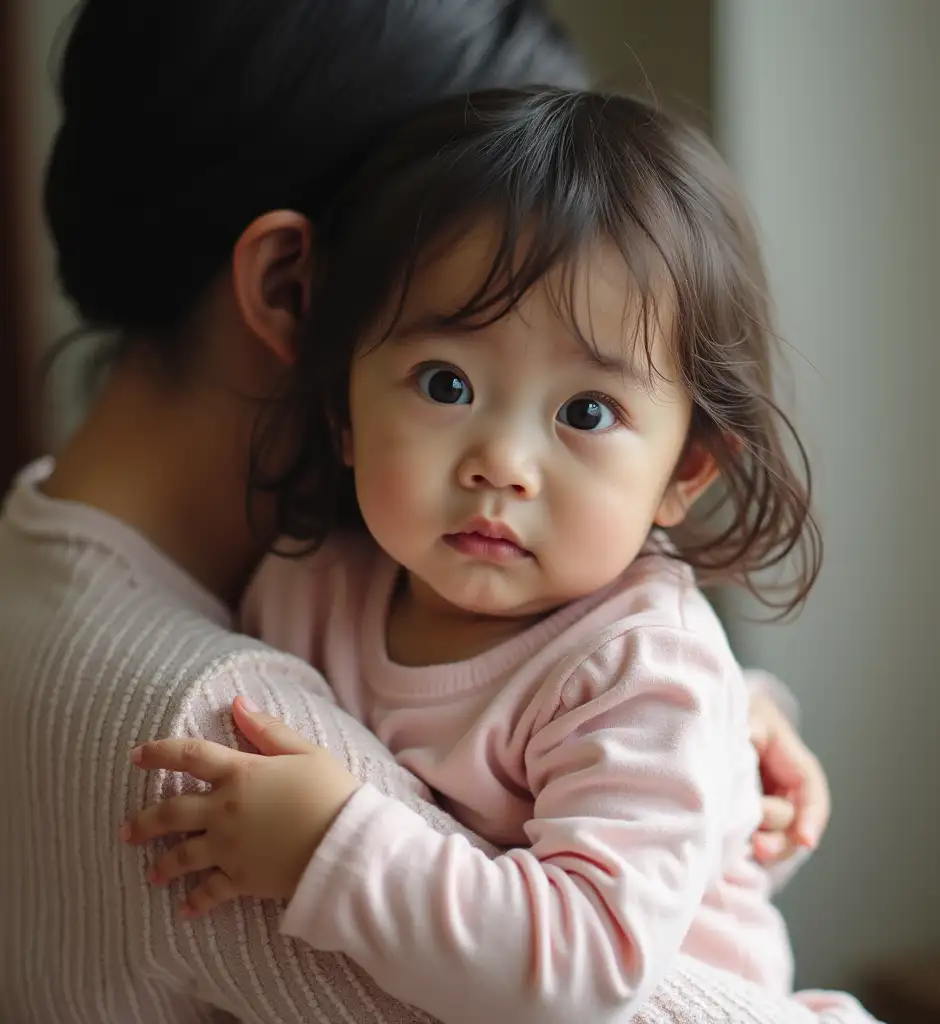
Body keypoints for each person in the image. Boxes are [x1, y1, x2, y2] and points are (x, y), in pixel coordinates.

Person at [0, 3, 831, 1023]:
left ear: (685, 467)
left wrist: (714, 717)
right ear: (305, 296)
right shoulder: (222, 740)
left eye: (583, 411)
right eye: (445, 379)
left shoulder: (36, 575)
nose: (502, 465)